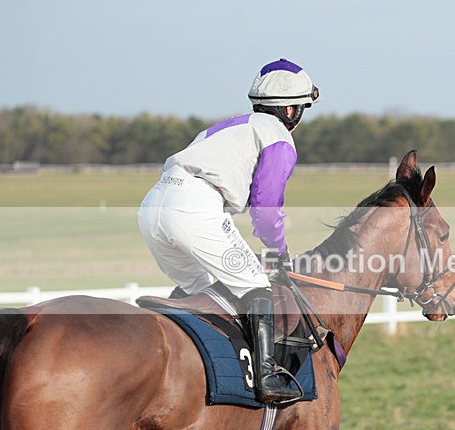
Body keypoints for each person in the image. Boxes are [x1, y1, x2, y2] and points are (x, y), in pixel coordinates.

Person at [137, 58, 319, 404]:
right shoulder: (278, 136)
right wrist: (278, 251)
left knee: (205, 291)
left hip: (153, 206)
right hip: (194, 208)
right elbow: (265, 205)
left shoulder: (222, 128)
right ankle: (267, 378)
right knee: (254, 285)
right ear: (292, 109)